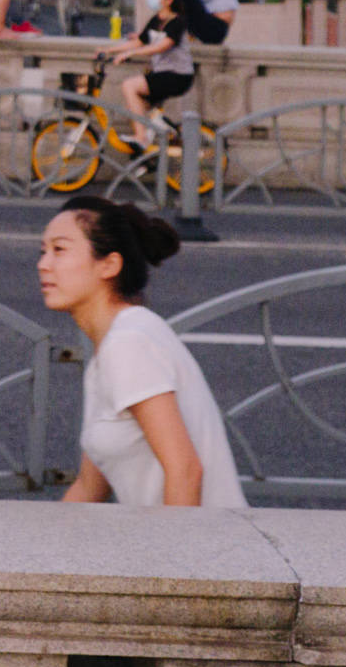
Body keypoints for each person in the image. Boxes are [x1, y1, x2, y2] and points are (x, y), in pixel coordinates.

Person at [37, 198, 244, 509]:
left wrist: (168, 557)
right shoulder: (112, 346)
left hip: (202, 549)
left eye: (59, 250)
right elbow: (89, 486)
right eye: (43, 251)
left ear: (109, 265)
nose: (43, 264)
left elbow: (185, 471)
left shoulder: (128, 344)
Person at [98, 0, 195, 150]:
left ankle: (142, 138)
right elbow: (140, 41)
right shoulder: (156, 19)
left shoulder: (177, 22)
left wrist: (130, 54)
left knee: (129, 86)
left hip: (178, 76)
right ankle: (147, 153)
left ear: (169, 0)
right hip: (162, 74)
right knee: (133, 107)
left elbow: (161, 46)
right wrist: (110, 50)